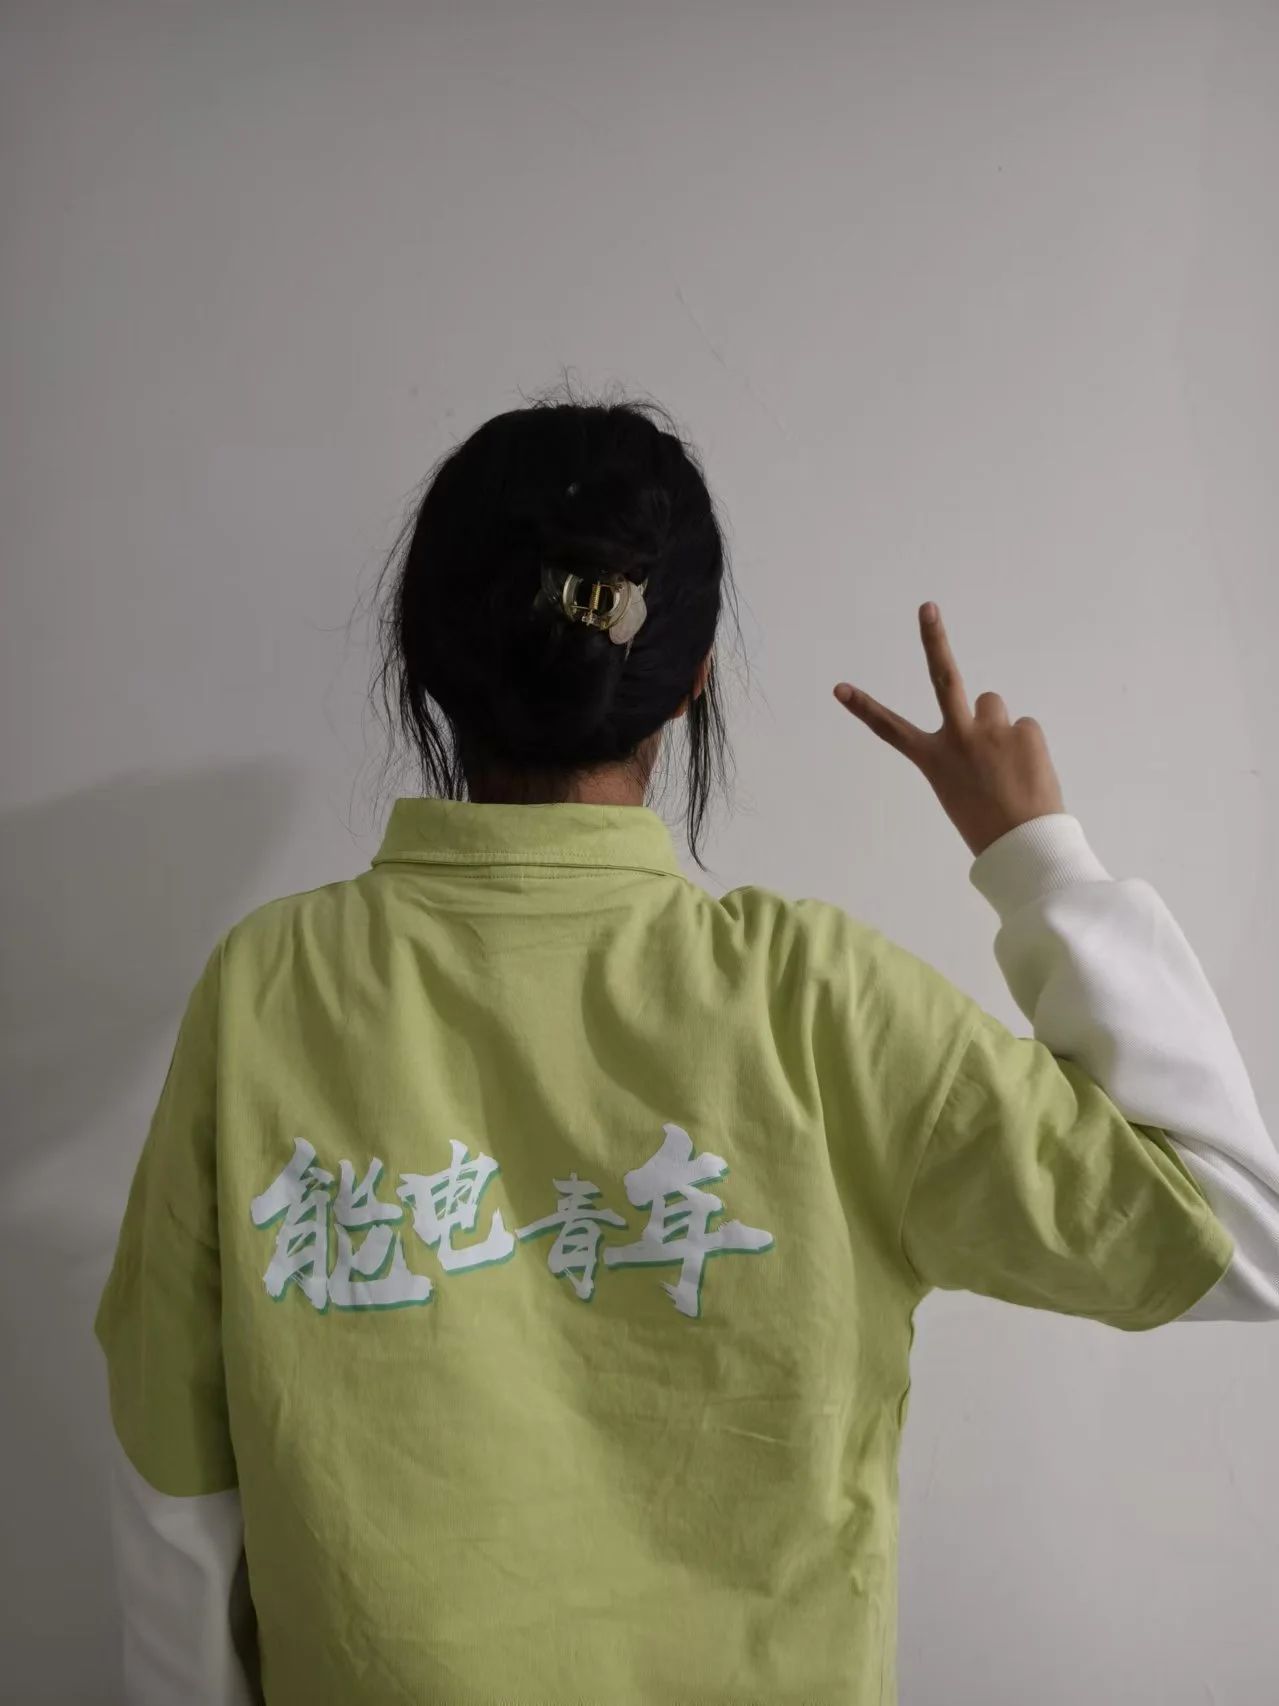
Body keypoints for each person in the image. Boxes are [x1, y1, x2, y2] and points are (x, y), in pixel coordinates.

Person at [94, 393, 1279, 1706]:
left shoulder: (267, 990)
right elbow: (1235, 1226)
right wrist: (1034, 855)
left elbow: (172, 1492)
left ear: (425, 656)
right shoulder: (816, 1007)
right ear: (694, 672)